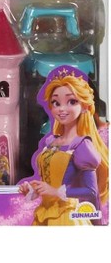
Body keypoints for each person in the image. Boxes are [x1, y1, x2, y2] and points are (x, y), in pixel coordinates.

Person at [19, 67, 108, 225]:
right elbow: (49, 181)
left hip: (67, 217)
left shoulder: (82, 145)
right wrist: (33, 190)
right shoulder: (51, 142)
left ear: (84, 106)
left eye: (72, 101)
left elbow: (91, 191)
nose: (61, 109)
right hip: (44, 214)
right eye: (56, 103)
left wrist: (55, 191)